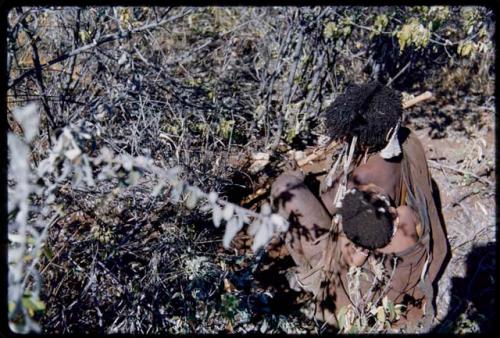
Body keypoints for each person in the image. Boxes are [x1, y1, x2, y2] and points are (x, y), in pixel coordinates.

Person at [270, 81, 449, 331]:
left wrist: (297, 178)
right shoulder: (408, 140)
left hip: (360, 273)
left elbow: (326, 206)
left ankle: (309, 280)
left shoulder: (363, 179)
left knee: (286, 188)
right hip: (384, 242)